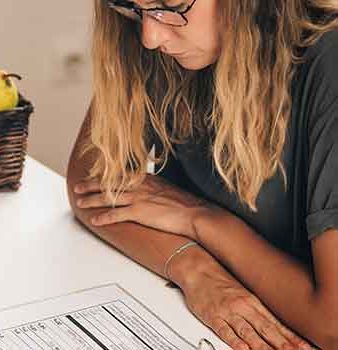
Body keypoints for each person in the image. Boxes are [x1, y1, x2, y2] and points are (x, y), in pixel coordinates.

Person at [67, 1, 338, 349]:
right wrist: (192, 267)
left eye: (173, 6)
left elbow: (332, 325)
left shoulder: (328, 60)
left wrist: (203, 221)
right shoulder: (155, 28)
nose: (150, 37)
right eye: (131, 8)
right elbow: (90, 181)